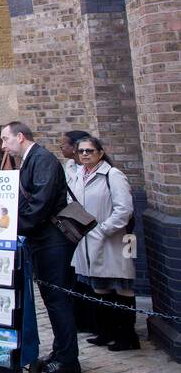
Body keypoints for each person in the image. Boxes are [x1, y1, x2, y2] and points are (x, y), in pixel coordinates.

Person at [2, 122, 81, 373]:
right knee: (52, 300)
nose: (4, 145)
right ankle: (61, 352)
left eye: (6, 139)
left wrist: (13, 227)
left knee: (58, 300)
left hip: (52, 240)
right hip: (41, 239)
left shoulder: (42, 159)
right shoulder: (30, 160)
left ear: (20, 137)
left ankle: (68, 360)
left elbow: (40, 204)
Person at [70, 137, 138, 351]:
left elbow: (124, 210)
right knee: (99, 287)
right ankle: (106, 331)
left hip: (113, 240)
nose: (84, 154)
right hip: (87, 240)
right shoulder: (78, 175)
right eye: (81, 151)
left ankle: (127, 336)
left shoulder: (113, 175)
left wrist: (102, 230)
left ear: (100, 153)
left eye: (89, 151)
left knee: (121, 287)